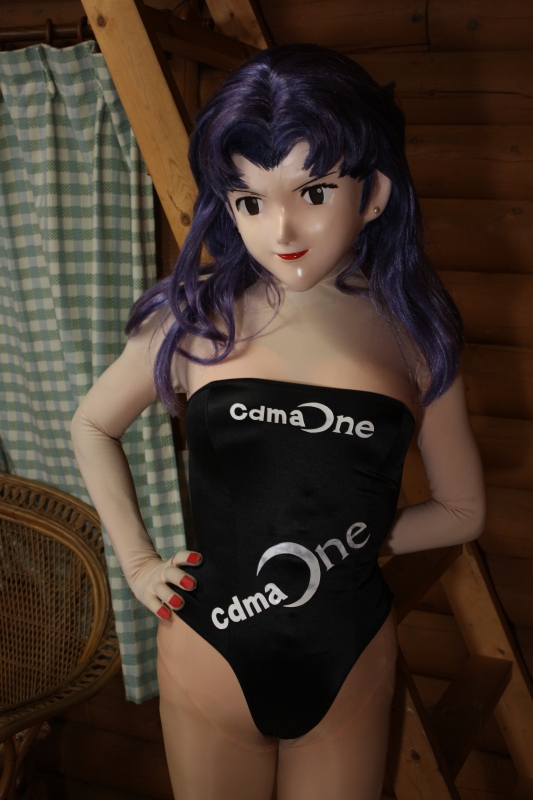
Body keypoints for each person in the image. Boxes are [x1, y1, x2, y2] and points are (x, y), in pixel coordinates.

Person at [71, 44, 485, 800]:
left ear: (373, 193)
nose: (282, 229)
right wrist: (137, 564)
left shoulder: (416, 336)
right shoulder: (193, 320)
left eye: (314, 191)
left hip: (348, 664)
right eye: (250, 201)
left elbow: (462, 511)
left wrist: (350, 539)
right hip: (209, 654)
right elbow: (93, 425)